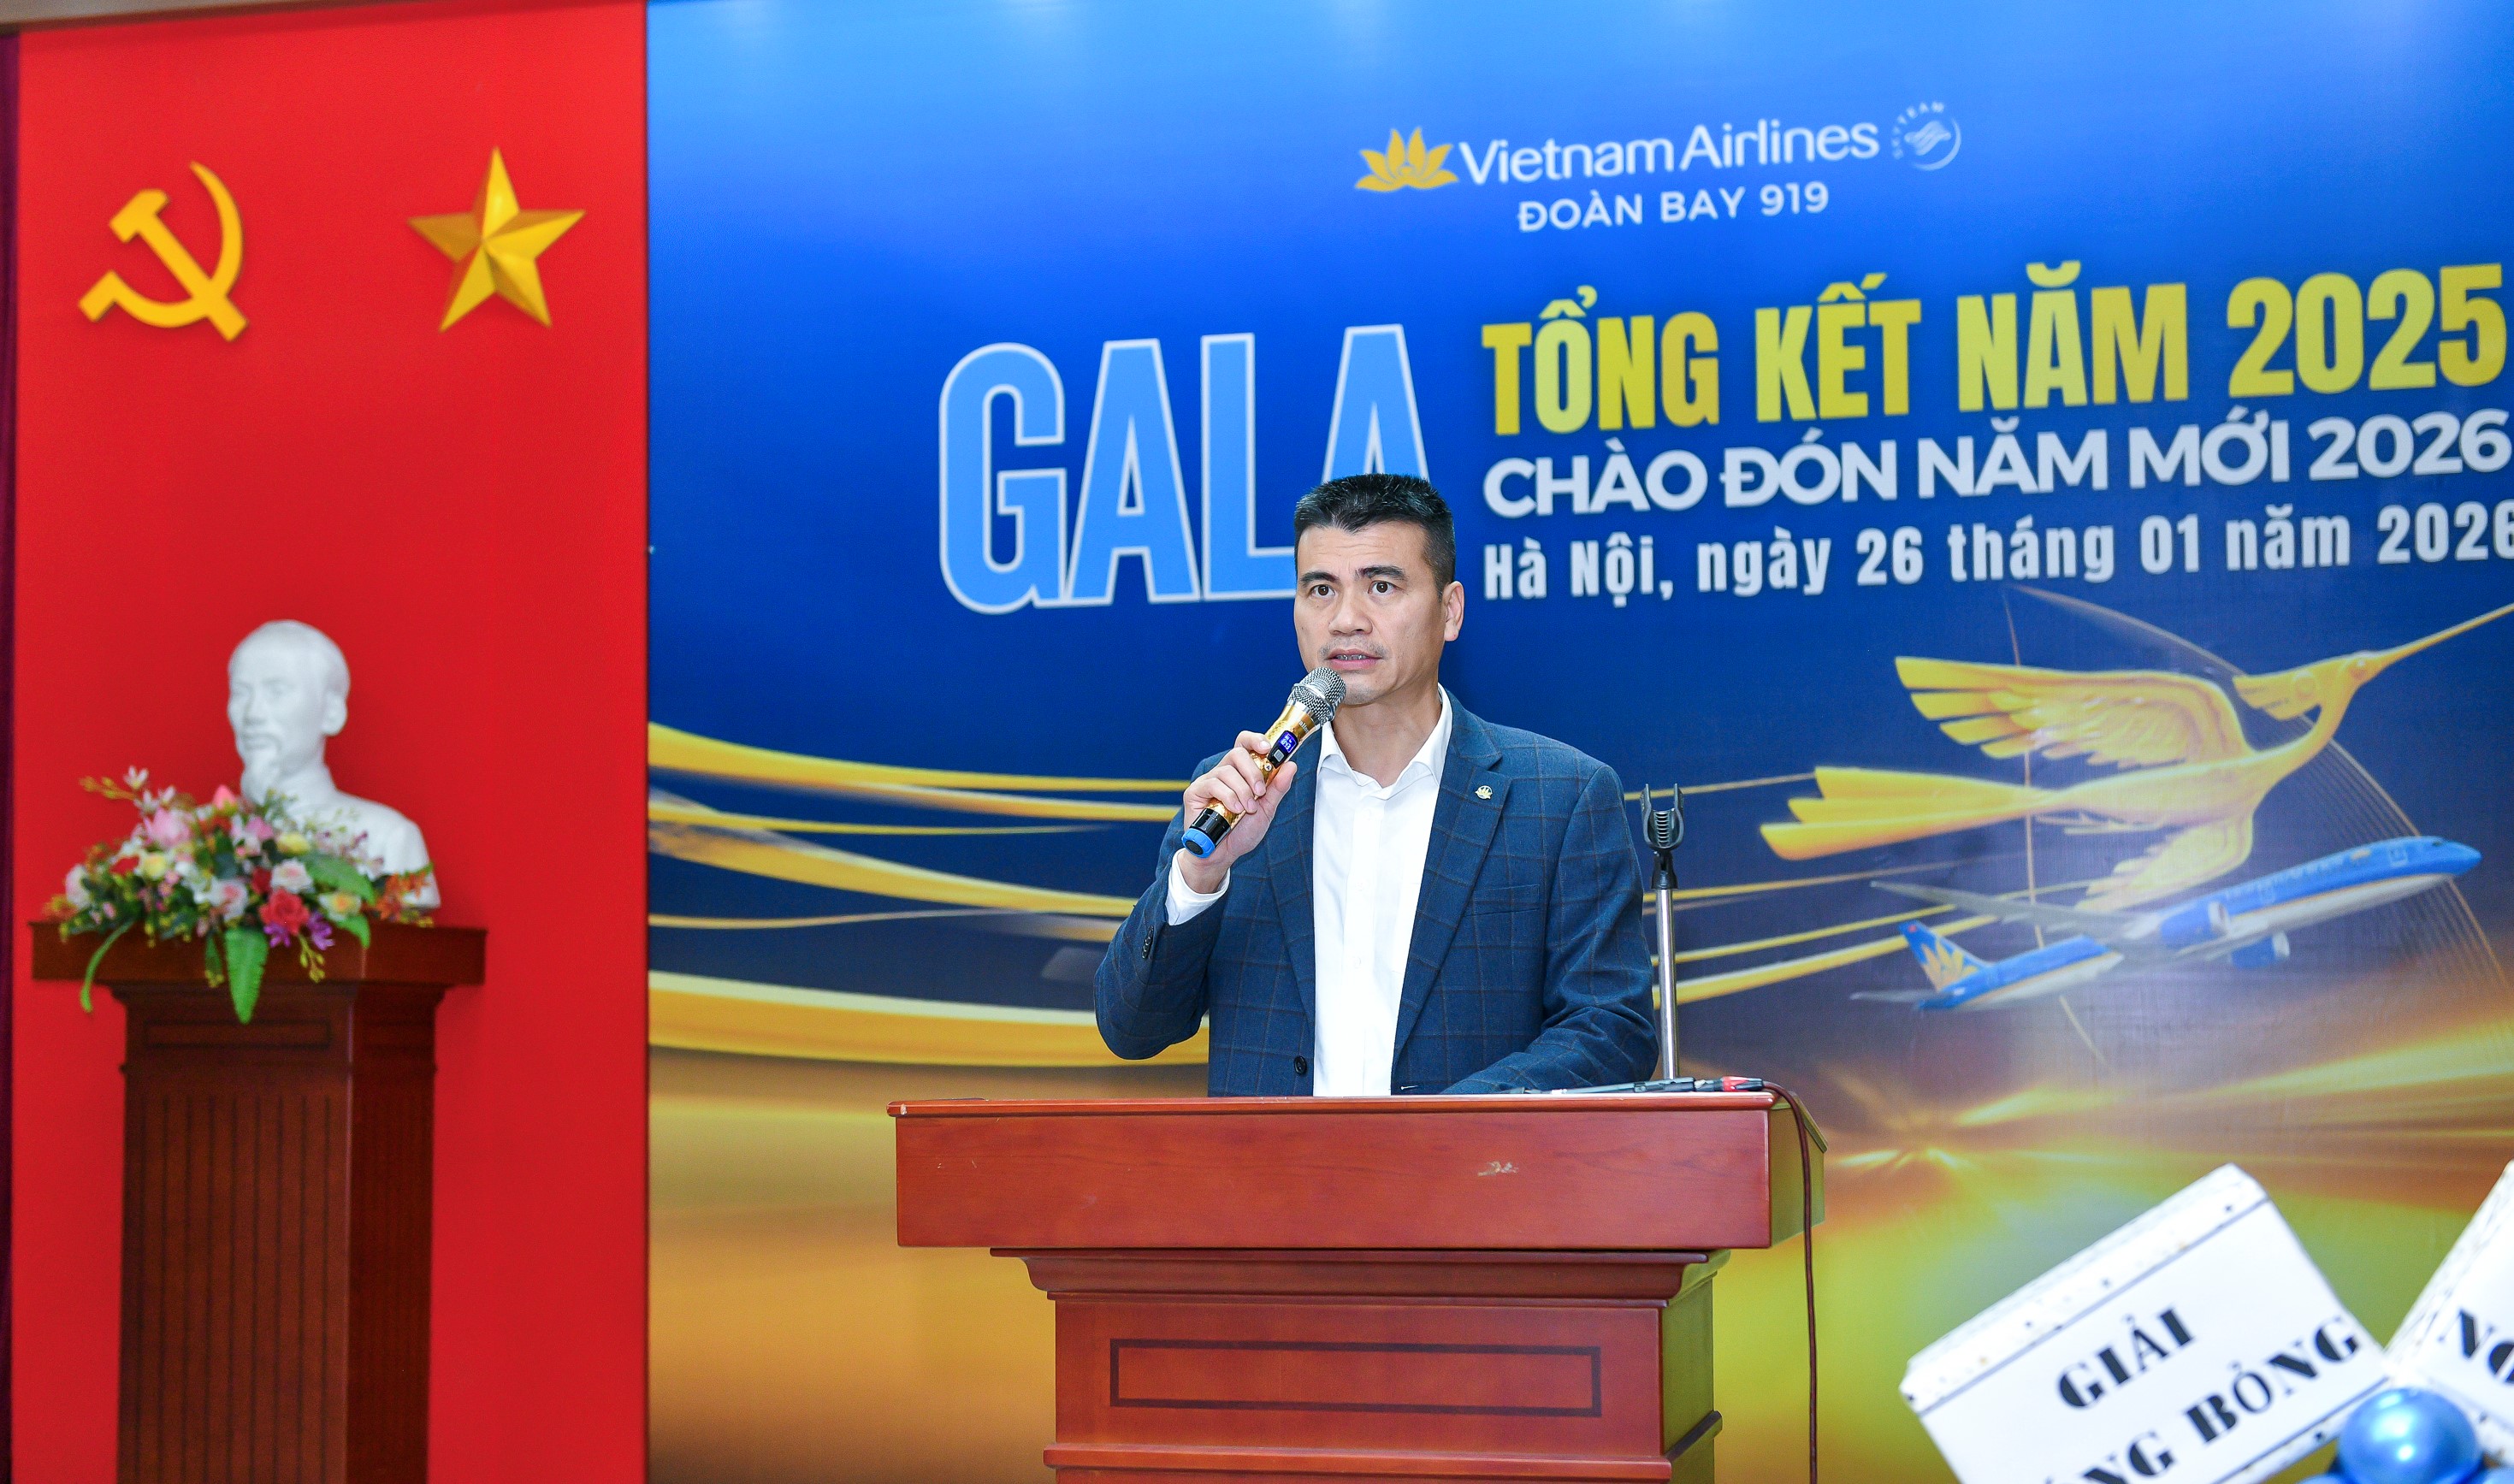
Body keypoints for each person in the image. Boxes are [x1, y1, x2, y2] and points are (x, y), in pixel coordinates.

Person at [1095, 473, 1655, 1095]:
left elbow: (1609, 1030)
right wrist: (1200, 876)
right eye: (1320, 589)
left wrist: (1432, 1132)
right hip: (1271, 1162)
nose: (1345, 620)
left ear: (1450, 611)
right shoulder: (1237, 794)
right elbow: (1132, 1029)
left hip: (1466, 1159)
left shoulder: (1560, 797)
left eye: (1381, 586)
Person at [228, 619, 441, 908]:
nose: (252, 714)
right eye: (240, 693)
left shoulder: (387, 839)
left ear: (331, 712)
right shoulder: (201, 841)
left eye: (276, 691)